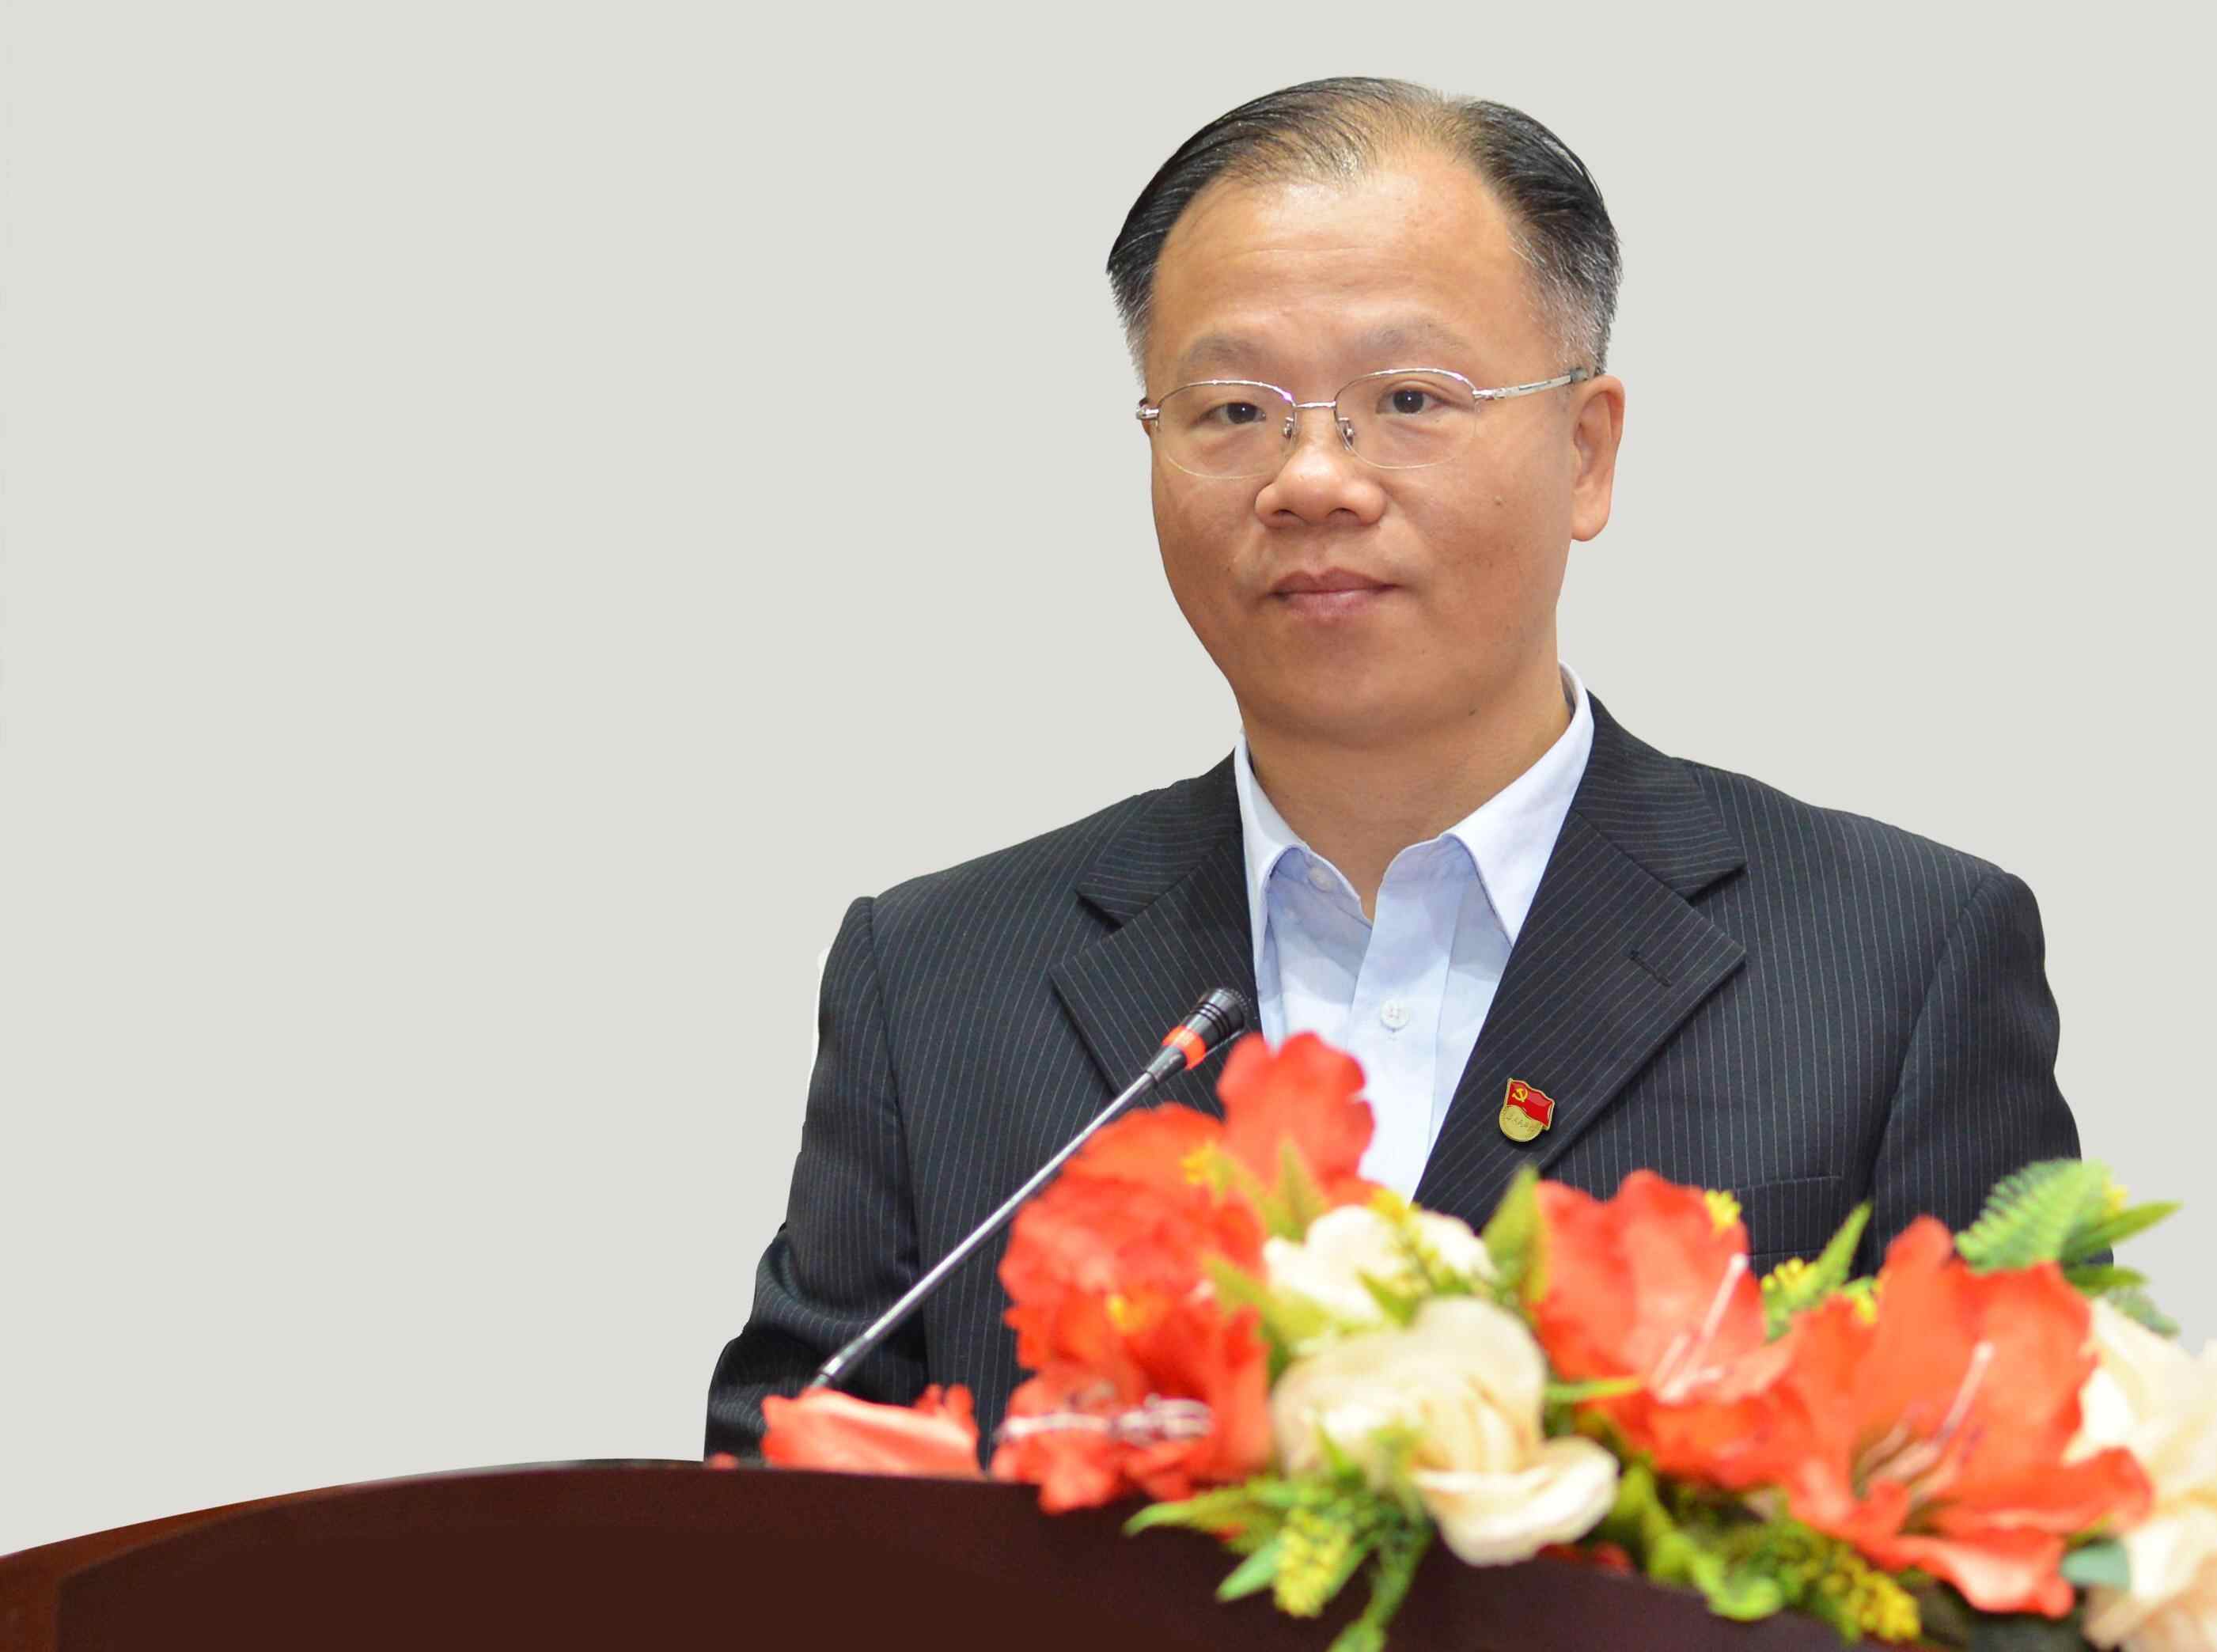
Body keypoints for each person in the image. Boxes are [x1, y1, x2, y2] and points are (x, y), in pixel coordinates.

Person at [705, 77, 2086, 1454]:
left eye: (1410, 396)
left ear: (1587, 452)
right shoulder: (938, 982)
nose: (1311, 478)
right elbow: (765, 1502)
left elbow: (2032, 1501)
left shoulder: (1897, 962)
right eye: (1232, 411)